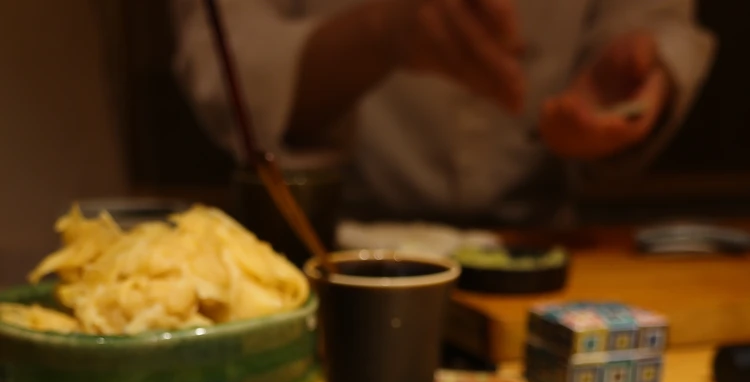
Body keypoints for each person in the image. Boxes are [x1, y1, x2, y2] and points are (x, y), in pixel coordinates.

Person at [171, 0, 715, 223]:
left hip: (549, 239)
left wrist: (635, 80)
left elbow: (657, 20)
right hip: (328, 241)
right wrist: (380, 33)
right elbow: (220, 53)